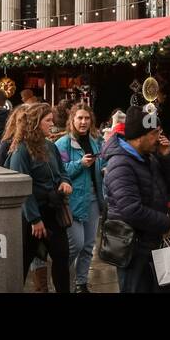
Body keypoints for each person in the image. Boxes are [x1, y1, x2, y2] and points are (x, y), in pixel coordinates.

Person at [100, 102, 170, 293]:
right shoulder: (121, 164)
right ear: (138, 137)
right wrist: (165, 223)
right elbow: (131, 210)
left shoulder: (149, 157)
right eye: (154, 134)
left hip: (153, 243)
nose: (159, 139)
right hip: (134, 248)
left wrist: (167, 157)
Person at [7, 103, 72, 292]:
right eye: (48, 120)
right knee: (23, 262)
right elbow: (22, 187)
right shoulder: (21, 150)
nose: (51, 124)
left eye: (52, 120)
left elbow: (62, 172)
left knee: (61, 257)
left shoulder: (50, 146)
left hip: (54, 211)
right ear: (36, 123)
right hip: (31, 217)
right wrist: (35, 219)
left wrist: (65, 182)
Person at [55, 104, 105, 292]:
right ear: (72, 120)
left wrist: (105, 167)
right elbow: (59, 172)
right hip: (72, 201)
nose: (83, 122)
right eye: (80, 118)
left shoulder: (95, 141)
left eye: (87, 118)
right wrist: (79, 164)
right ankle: (61, 276)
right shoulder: (63, 144)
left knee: (89, 245)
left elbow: (102, 161)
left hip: (93, 199)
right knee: (76, 243)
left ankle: (81, 284)